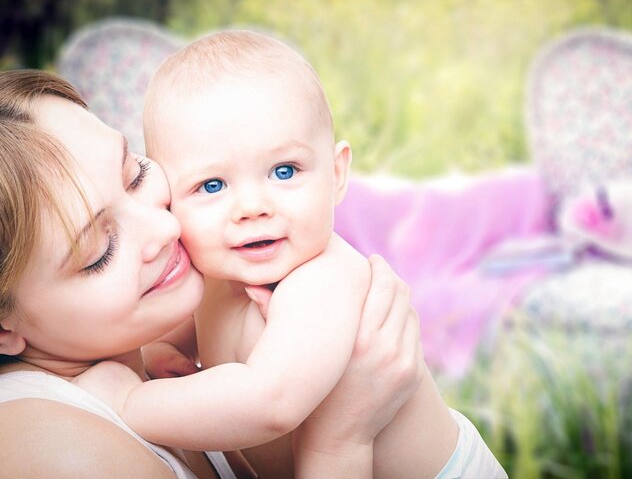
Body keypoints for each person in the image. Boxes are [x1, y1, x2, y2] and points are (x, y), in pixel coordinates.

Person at [0, 69, 425, 479]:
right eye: (99, 251)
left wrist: (157, 355)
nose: (167, 228)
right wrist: (339, 441)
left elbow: (267, 395)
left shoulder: (305, 275)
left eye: (135, 175)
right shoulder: (64, 454)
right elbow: (272, 406)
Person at [122, 29, 507, 479]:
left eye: (284, 171)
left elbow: (270, 403)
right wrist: (162, 350)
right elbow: (183, 331)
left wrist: (129, 402)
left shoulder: (322, 280)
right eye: (212, 185)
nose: (252, 207)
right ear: (170, 198)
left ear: (337, 174)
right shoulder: (213, 274)